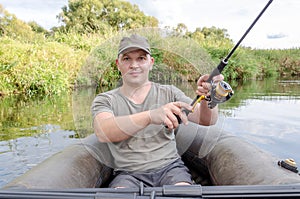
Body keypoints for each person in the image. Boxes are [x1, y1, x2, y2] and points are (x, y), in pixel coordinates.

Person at [91, 34, 223, 188]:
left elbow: (207, 120)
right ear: (118, 64)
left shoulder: (170, 92)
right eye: (127, 59)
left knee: (184, 192)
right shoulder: (105, 99)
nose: (134, 65)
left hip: (171, 168)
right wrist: (150, 116)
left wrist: (209, 97)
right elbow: (102, 131)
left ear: (151, 63)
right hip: (127, 173)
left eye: (141, 58)